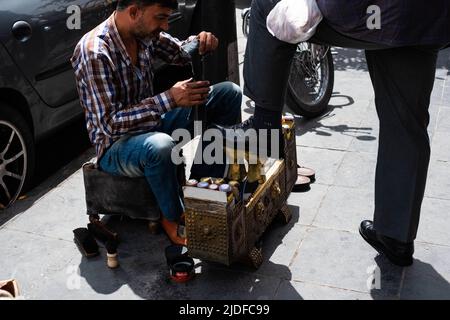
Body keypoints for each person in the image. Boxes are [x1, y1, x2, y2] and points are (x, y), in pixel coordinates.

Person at [216, 0, 450, 266]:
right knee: (406, 121)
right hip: (428, 19)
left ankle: (264, 128)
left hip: (373, 13)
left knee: (267, 6)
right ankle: (397, 234)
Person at [71, 0, 242, 246]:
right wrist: (169, 99)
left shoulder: (144, 32)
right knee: (161, 145)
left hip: (151, 125)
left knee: (229, 94)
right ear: (133, 12)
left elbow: (179, 52)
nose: (165, 26)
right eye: (160, 18)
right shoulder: (95, 51)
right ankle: (172, 215)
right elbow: (109, 124)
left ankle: (202, 186)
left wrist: (200, 41)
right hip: (116, 146)